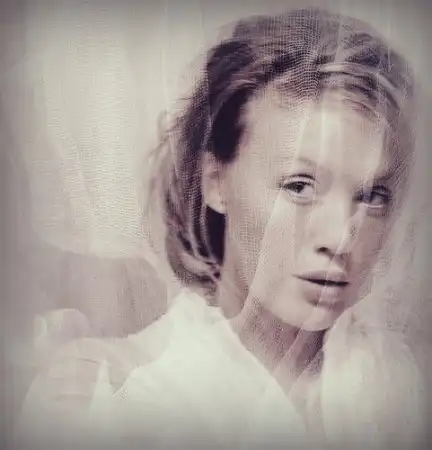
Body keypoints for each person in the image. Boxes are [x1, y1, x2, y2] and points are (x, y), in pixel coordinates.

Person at [15, 7, 427, 450]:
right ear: (215, 181)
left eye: (372, 195)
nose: (341, 237)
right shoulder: (109, 398)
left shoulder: (391, 375)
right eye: (299, 186)